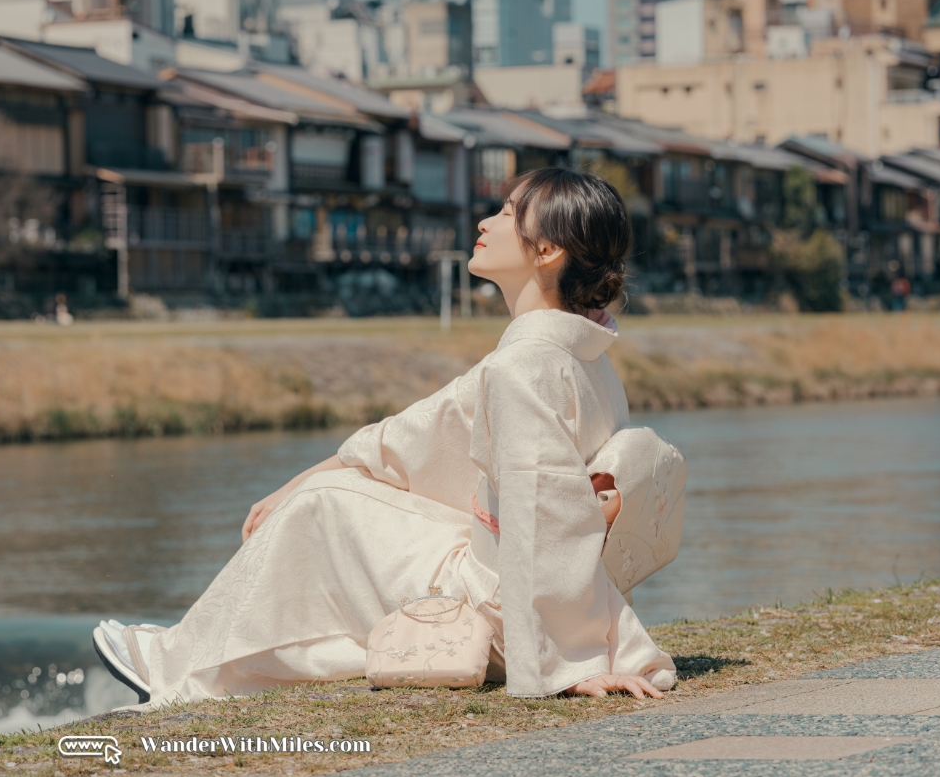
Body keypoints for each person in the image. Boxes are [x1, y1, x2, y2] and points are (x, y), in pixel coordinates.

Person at [93, 168, 676, 706]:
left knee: (321, 509)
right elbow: (418, 436)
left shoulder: (521, 368)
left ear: (547, 251)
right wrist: (296, 481)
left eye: (506, 212)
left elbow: (540, 518)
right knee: (325, 493)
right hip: (528, 597)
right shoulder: (582, 356)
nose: (485, 222)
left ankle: (175, 667)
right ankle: (202, 664)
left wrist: (563, 666)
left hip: (503, 615)